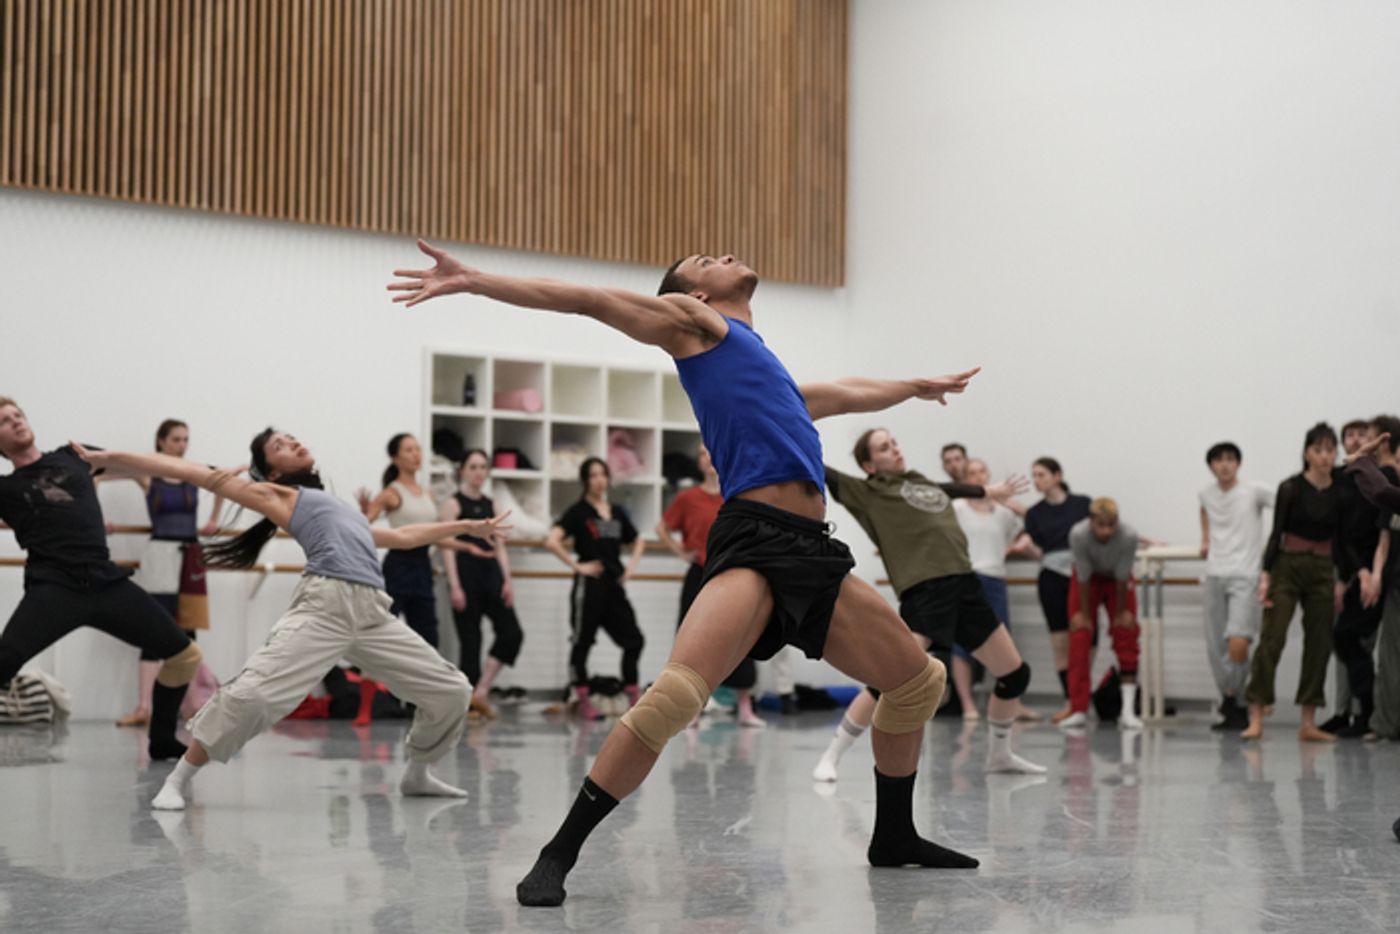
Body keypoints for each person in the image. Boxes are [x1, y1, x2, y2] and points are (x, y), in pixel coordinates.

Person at [389, 241, 983, 907]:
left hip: (812, 550)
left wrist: (914, 388)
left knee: (916, 683)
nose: (724, 254)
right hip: (755, 542)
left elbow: (843, 394)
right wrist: (474, 280)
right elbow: (590, 299)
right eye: (705, 259)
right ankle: (558, 853)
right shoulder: (695, 325)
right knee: (675, 699)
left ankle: (894, 837)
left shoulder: (764, 364)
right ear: (694, 295)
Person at [73, 428, 508, 810]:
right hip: (324, 608)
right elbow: (191, 472)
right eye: (280, 445)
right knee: (254, 695)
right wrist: (109, 460)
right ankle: (178, 779)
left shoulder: (339, 508)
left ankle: (416, 774)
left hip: (373, 612)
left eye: (290, 436)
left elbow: (399, 536)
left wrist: (467, 526)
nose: (293, 441)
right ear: (272, 472)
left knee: (452, 690)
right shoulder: (279, 496)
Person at [812, 429, 1044, 780]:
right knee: (889, 680)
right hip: (926, 591)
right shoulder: (868, 493)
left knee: (1014, 675)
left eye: (894, 442)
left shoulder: (917, 482)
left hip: (966, 586)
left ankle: (1000, 755)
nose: (895, 449)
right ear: (869, 465)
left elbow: (946, 490)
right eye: (884, 448)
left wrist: (987, 491)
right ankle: (831, 755)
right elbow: (823, 469)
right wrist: (787, 431)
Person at [0, 397, 200, 760]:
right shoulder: (5, 489)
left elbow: (137, 463)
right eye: (4, 421)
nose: (15, 422)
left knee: (185, 655)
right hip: (54, 589)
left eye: (18, 415)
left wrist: (211, 475)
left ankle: (161, 739)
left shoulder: (72, 455)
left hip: (107, 583)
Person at [106, 418, 227, 728]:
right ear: (160, 442)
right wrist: (99, 519)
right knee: (154, 628)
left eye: (186, 439)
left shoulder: (193, 473)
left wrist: (214, 518)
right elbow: (100, 473)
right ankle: (144, 706)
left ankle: (190, 704)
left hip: (190, 555)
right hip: (160, 554)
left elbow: (223, 481)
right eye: (175, 439)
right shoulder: (150, 476)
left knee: (188, 630)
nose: (182, 445)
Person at [1243, 422, 1344, 742]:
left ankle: (1308, 722)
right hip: (1288, 564)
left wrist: (1339, 578)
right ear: (1306, 453)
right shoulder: (1290, 488)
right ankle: (1257, 714)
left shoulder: (1340, 491)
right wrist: (1266, 574)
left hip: (1324, 567)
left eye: (1330, 450)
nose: (1325, 457)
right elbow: (1277, 533)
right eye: (1318, 450)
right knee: (1272, 636)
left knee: (1319, 642)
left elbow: (1340, 539)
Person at [657, 443, 764, 727]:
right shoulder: (687, 497)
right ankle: (692, 708)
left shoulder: (736, 494)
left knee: (741, 637)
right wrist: (680, 551)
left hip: (731, 574)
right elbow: (662, 528)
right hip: (699, 573)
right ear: (699, 462)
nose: (709, 459)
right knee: (691, 641)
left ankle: (745, 707)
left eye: (713, 452)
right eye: (703, 454)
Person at [547, 457, 647, 720]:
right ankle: (582, 699)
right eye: (593, 475)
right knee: (582, 642)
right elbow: (552, 540)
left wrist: (631, 567)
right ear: (585, 481)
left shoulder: (616, 512)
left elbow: (637, 541)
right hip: (589, 587)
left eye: (603, 474)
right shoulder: (578, 512)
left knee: (634, 641)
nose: (599, 480)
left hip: (613, 586)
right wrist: (577, 566)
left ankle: (633, 698)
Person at [951, 457, 1038, 722]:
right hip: (967, 577)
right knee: (962, 645)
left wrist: (1020, 540)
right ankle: (968, 705)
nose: (978, 477)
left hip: (996, 579)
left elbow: (1032, 522)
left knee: (1003, 642)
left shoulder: (1003, 512)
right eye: (972, 473)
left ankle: (1012, 703)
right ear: (965, 479)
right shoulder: (957, 508)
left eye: (982, 471)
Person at [1329, 415, 1399, 737]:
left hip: (1380, 575)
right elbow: (1382, 507)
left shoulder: (1388, 475)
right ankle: (1368, 714)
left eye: (1366, 435)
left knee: (1356, 640)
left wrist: (1358, 462)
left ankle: (1371, 713)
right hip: (1378, 573)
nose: (1360, 439)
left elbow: (1383, 496)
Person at [441, 448, 524, 718]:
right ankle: (467, 704)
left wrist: (508, 581)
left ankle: (482, 690)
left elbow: (500, 547)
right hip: (466, 576)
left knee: (512, 632)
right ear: (463, 470)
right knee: (471, 641)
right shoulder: (453, 503)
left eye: (482, 467)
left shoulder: (491, 504)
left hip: (491, 576)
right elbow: (447, 547)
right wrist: (454, 585)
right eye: (473, 466)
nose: (478, 472)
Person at [1197, 442, 1272, 731]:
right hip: (1215, 572)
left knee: (1238, 640)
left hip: (1246, 573)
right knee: (1216, 645)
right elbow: (1204, 510)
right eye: (1218, 460)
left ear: (1238, 463)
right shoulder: (1206, 493)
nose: (1224, 465)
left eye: (1230, 459)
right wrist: (1205, 538)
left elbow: (1286, 505)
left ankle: (1240, 698)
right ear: (1211, 465)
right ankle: (1230, 700)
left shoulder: (1255, 491)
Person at [1014, 457, 1092, 721]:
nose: (1037, 480)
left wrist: (1149, 541)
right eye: (1034, 475)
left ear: (1057, 475)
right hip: (1051, 577)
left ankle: (1081, 697)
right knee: (1060, 640)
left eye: (1042, 474)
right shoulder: (1035, 513)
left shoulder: (1082, 504)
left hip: (1082, 576)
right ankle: (1071, 700)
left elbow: (1106, 528)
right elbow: (1038, 550)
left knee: (1086, 638)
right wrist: (1026, 549)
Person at [1060, 497, 1143, 730]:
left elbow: (1122, 577)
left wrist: (1120, 613)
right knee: (1080, 635)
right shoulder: (1078, 534)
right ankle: (1078, 709)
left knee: (1126, 632)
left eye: (1111, 525)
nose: (1106, 531)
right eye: (1101, 525)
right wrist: (1085, 616)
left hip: (1117, 581)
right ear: (1091, 522)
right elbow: (1084, 577)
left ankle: (1127, 711)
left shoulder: (1128, 536)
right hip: (1088, 582)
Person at [358, 434, 442, 647]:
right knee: (383, 627)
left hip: (423, 566)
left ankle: (422, 679)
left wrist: (468, 544)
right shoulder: (391, 493)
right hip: (399, 566)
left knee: (428, 634)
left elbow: (434, 533)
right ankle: (363, 676)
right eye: (409, 450)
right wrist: (365, 511)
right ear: (396, 458)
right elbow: (365, 522)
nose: (416, 454)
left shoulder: (428, 494)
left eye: (417, 449)